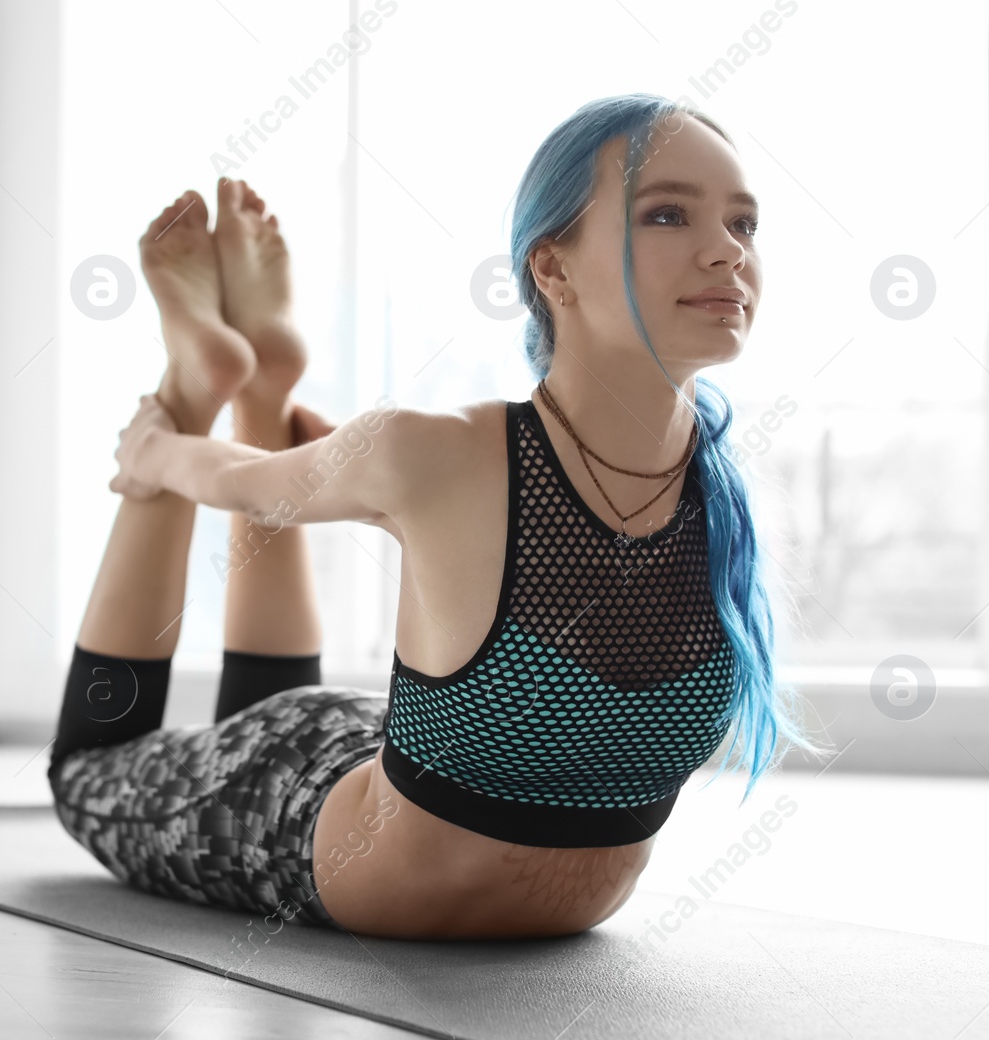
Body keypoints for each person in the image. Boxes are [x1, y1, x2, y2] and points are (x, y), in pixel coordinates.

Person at [47, 93, 826, 940]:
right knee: (89, 771)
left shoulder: (727, 498)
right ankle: (199, 382)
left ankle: (265, 382)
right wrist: (159, 449)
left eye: (745, 225)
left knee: (276, 708)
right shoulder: (444, 452)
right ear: (552, 269)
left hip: (360, 755)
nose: (726, 252)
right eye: (669, 214)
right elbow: (262, 489)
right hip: (298, 814)